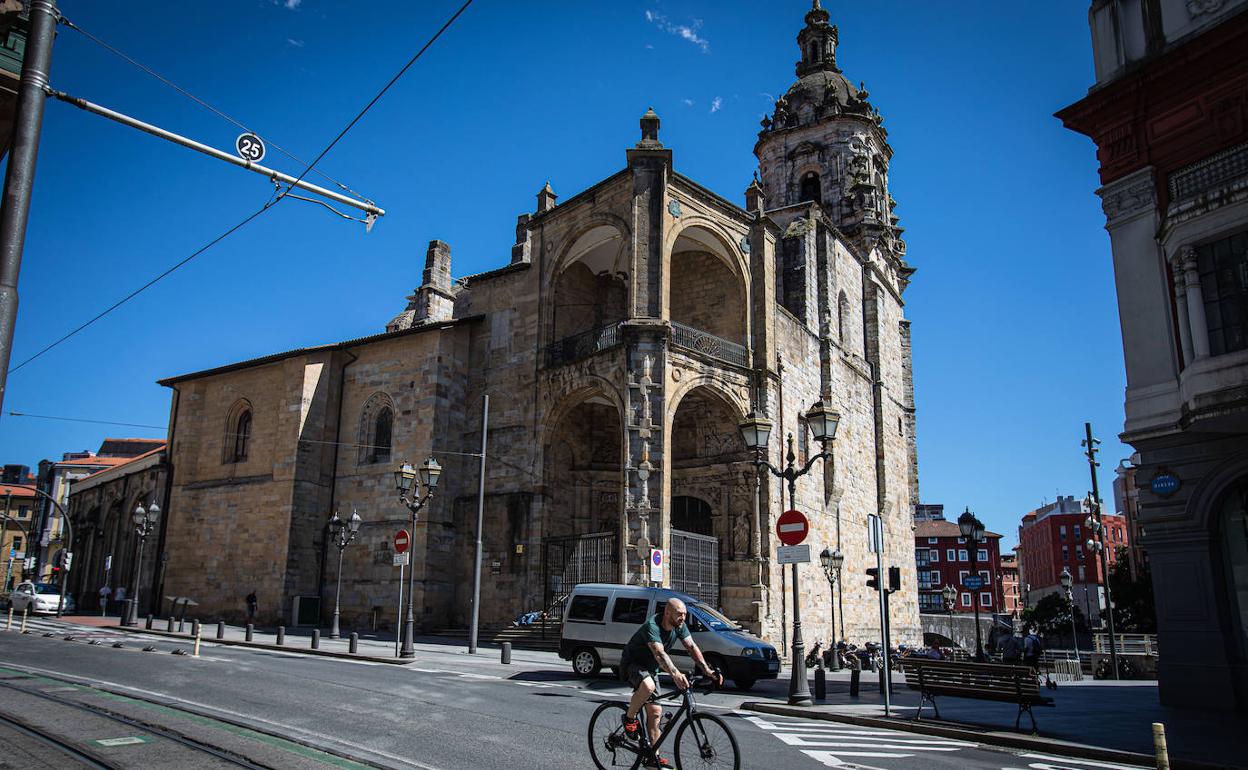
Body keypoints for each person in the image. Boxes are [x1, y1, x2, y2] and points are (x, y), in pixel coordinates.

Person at [619, 598, 722, 768]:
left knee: (656, 713)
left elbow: (691, 647)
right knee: (648, 686)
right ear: (667, 613)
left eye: (685, 614)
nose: (683, 618)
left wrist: (707, 670)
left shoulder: (679, 626)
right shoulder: (652, 626)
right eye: (679, 614)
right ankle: (629, 718)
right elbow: (659, 654)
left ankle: (653, 758)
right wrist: (675, 674)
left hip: (652, 669)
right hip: (633, 664)